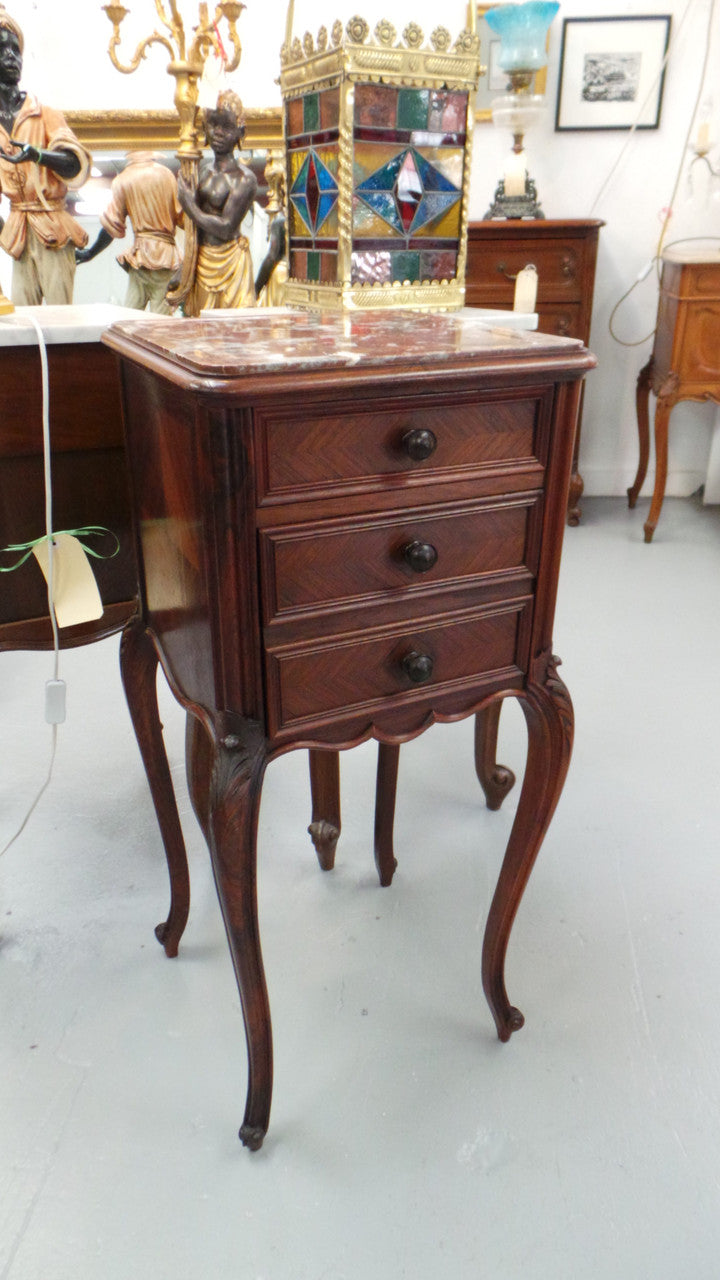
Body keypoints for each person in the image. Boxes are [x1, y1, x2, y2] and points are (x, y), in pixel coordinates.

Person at [0, 5, 92, 305]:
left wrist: (38, 155)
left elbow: (76, 165)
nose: (11, 57)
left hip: (54, 228)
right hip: (19, 234)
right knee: (23, 321)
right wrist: (6, 233)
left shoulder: (44, 114)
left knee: (59, 319)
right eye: (2, 49)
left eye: (16, 50)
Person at [177, 88, 257, 311]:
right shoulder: (201, 171)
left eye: (227, 127)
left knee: (235, 328)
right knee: (200, 326)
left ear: (240, 132)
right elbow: (193, 230)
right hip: (202, 261)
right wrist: (184, 269)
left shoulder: (245, 179)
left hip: (231, 263)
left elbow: (226, 228)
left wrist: (190, 206)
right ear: (204, 127)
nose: (218, 133)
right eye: (213, 125)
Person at [76, 151, 183, 314]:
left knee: (131, 314)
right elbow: (182, 219)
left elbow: (111, 226)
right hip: (166, 257)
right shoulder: (166, 175)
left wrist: (91, 252)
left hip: (140, 256)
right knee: (161, 318)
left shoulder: (124, 179)